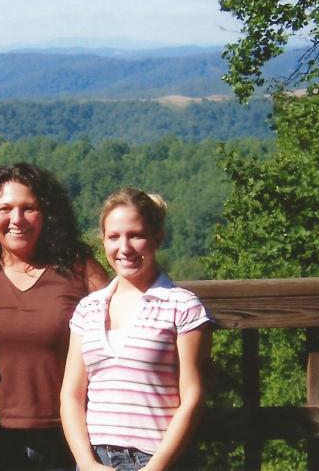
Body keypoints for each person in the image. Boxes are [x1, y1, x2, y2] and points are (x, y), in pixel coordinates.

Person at [0, 163, 109, 470]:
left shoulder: (78, 269)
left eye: (29, 208)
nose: (17, 219)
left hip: (66, 439)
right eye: (5, 208)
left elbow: (121, 323)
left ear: (47, 215)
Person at [60, 188, 212, 471]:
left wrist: (155, 467)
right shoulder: (88, 308)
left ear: (157, 238)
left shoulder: (182, 306)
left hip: (157, 459)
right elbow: (71, 393)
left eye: (136, 235)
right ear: (103, 240)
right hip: (95, 460)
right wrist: (85, 462)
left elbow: (193, 396)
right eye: (114, 237)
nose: (124, 248)